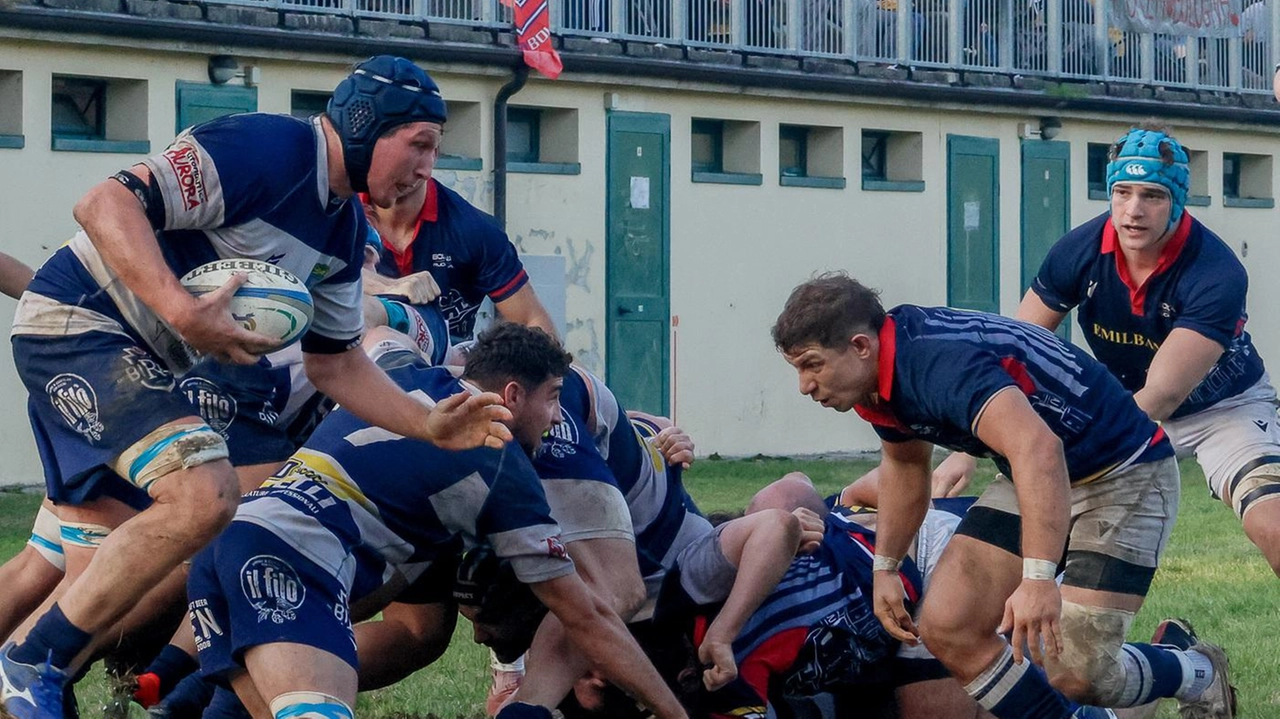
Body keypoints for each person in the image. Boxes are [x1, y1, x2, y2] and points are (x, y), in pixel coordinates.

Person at [0, 55, 512, 719]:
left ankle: (38, 676)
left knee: (88, 574)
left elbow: (338, 365)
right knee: (206, 492)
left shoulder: (341, 229)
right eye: (418, 144)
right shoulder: (266, 147)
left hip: (142, 362)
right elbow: (104, 202)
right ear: (364, 125)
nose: (427, 168)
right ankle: (32, 661)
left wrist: (427, 423)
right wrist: (182, 312)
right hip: (79, 324)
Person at [772, 274, 1235, 719]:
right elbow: (906, 466)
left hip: (1123, 473)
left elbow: (1039, 448)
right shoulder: (878, 378)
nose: (805, 385)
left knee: (1078, 673)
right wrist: (885, 566)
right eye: (798, 369)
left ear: (860, 346)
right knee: (948, 628)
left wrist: (1035, 581)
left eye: (812, 364)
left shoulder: (934, 363)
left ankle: (1195, 670)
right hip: (1033, 471)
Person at [184, 322, 688, 719]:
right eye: (553, 396)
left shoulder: (405, 377)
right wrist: (673, 712)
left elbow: (379, 338)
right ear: (511, 395)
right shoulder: (500, 468)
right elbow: (590, 615)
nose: (559, 417)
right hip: (289, 559)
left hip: (229, 541)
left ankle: (171, 684)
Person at [934, 124, 1280, 580]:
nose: (1133, 211)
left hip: (1221, 409)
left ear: (1177, 202)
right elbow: (1013, 350)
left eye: (1152, 196)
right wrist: (968, 448)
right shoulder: (1079, 249)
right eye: (1122, 192)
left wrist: (1068, 450)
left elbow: (1161, 395)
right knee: (1020, 528)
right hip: (1119, 400)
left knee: (1272, 525)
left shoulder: (1216, 271)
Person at [361, 160, 555, 344]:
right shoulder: (336, 213)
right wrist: (387, 286)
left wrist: (581, 378)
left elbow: (535, 324)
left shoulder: (475, 230)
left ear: (434, 153)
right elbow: (331, 281)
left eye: (422, 145)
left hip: (449, 369)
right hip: (357, 366)